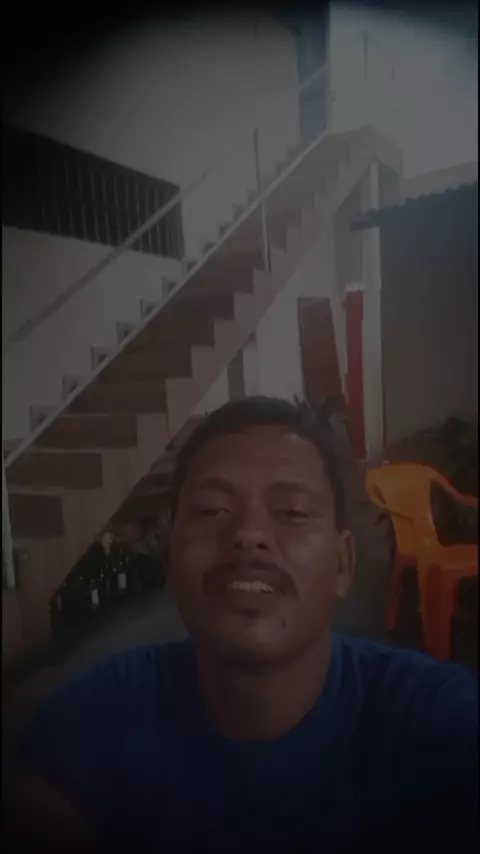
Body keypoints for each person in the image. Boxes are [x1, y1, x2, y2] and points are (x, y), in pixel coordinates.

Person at [4, 397, 478, 853]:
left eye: (291, 512)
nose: (249, 534)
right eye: (212, 510)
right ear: (170, 561)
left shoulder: (432, 720)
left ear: (342, 563)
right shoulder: (97, 718)